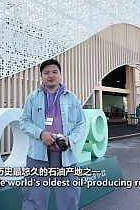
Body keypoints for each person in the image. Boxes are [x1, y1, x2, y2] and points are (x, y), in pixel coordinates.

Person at [20, 59, 86, 210]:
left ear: (60, 75)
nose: (51, 75)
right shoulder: (33, 97)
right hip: (38, 156)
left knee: (69, 197)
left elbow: (81, 124)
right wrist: (41, 133)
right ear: (41, 76)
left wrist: (70, 139)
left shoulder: (72, 98)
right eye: (46, 73)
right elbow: (24, 121)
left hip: (65, 156)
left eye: (54, 72)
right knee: (34, 197)